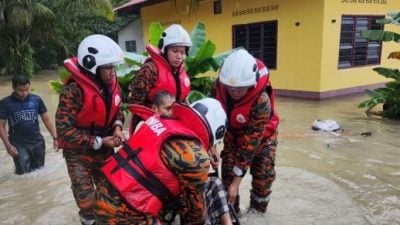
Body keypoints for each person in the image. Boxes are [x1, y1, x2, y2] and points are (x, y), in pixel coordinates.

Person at [96, 98, 227, 225]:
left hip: (102, 192)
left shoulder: (158, 120)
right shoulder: (196, 157)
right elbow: (194, 214)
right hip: (125, 213)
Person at [55, 34, 126, 225]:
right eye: (108, 68)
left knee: (112, 194)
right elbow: (63, 129)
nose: (113, 72)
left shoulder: (112, 85)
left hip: (105, 149)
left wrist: (118, 127)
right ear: (92, 67)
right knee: (86, 201)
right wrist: (99, 141)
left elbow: (118, 110)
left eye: (114, 67)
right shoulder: (74, 91)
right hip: (79, 154)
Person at [211, 49, 280, 215]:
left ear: (252, 84)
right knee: (227, 184)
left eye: (240, 89)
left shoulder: (261, 100)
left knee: (262, 182)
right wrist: (211, 146)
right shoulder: (219, 87)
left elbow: (250, 145)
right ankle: (232, 216)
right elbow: (210, 118)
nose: (234, 92)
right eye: (231, 88)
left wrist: (237, 183)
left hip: (262, 140)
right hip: (233, 138)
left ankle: (257, 214)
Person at [128, 24, 192, 134]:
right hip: (148, 124)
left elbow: (182, 102)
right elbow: (136, 103)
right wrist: (152, 123)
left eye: (182, 52)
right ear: (165, 49)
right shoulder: (150, 69)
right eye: (175, 51)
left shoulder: (181, 72)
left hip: (173, 125)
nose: (179, 56)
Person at [0, 75, 57, 175]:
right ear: (13, 87)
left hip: (37, 141)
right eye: (21, 90)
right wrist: (8, 146)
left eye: (27, 89)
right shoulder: (5, 103)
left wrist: (55, 138)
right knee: (23, 174)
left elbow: (47, 120)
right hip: (18, 143)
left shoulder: (36, 100)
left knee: (39, 172)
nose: (24, 93)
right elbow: (1, 126)